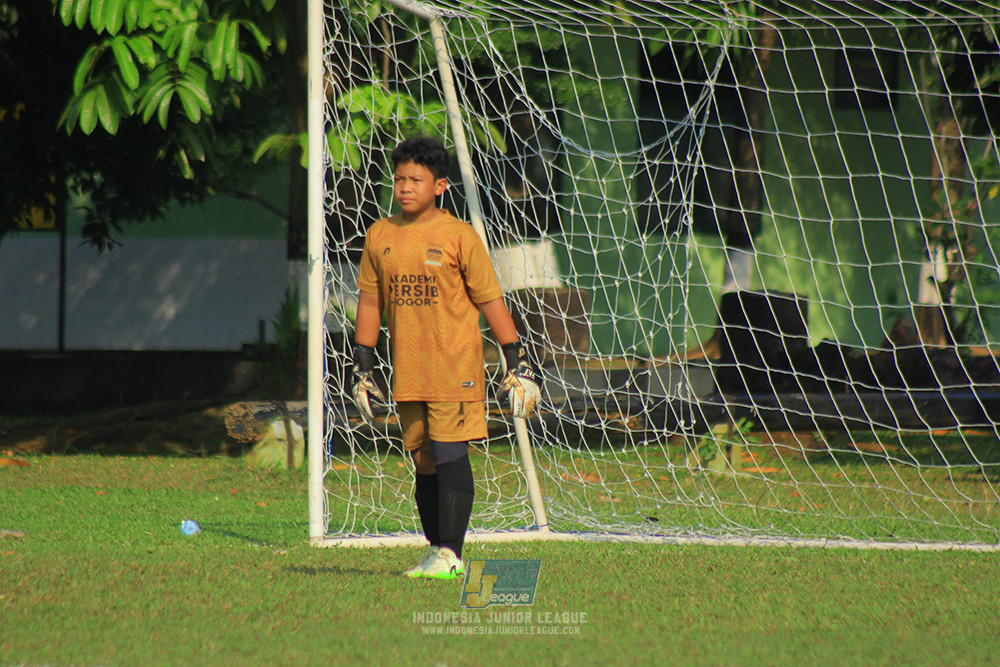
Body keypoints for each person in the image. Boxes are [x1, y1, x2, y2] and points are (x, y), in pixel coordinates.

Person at [350, 136, 542, 581]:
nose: (404, 187)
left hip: (456, 367)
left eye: (415, 179)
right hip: (409, 370)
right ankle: (438, 551)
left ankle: (451, 554)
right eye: (399, 178)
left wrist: (515, 357)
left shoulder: (459, 236)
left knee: (451, 452)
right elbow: (370, 300)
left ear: (438, 185)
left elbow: (491, 299)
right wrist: (363, 362)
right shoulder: (380, 234)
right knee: (422, 460)